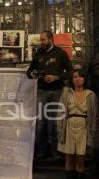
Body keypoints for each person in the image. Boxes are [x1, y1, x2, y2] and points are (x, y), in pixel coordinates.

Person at [26, 30, 73, 158]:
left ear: (51, 39)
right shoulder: (38, 54)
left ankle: (55, 149)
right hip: (41, 90)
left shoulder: (60, 53)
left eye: (44, 39)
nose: (41, 42)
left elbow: (70, 71)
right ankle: (42, 150)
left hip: (56, 90)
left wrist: (56, 77)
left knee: (54, 121)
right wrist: (33, 74)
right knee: (40, 121)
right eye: (41, 40)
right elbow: (29, 71)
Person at [57, 69, 99, 179]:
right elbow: (61, 113)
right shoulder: (66, 94)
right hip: (69, 127)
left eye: (80, 76)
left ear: (85, 79)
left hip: (83, 128)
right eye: (75, 77)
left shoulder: (91, 95)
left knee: (80, 159)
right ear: (72, 79)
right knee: (69, 158)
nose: (78, 79)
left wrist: (92, 134)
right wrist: (60, 130)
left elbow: (95, 116)